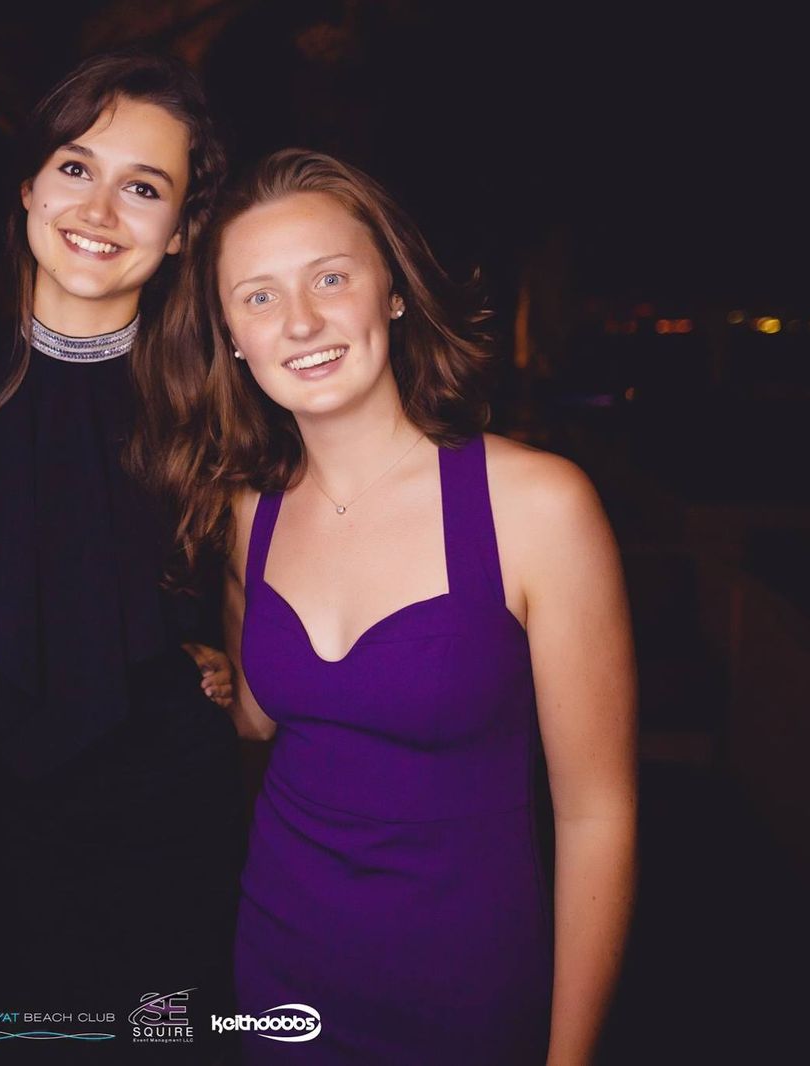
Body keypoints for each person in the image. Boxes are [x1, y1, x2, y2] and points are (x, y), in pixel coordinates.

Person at [171, 149, 638, 1063]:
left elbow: (597, 817)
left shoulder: (538, 506)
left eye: (330, 278)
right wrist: (211, 673)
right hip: (279, 970)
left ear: (392, 291)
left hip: (466, 994)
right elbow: (263, 718)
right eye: (259, 296)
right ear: (231, 336)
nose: (300, 321)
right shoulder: (246, 512)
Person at [0, 50, 244, 1062]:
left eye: (144, 187)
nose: (100, 209)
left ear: (181, 230)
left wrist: (231, 653)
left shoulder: (218, 405)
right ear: (29, 185)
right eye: (76, 167)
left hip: (164, 843)